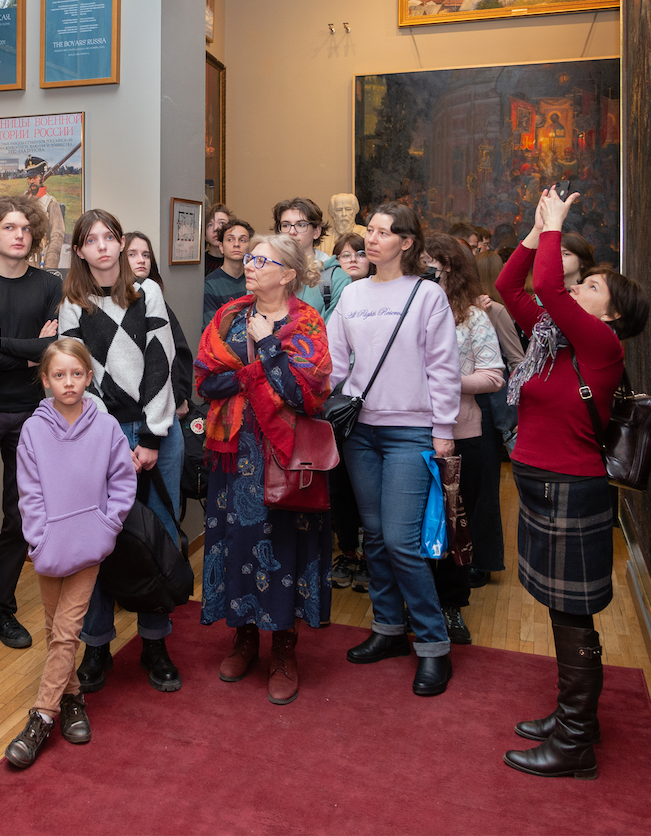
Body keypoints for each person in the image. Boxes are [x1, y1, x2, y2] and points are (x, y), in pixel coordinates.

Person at [497, 186, 649, 780]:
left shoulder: (600, 343)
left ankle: (576, 741)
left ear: (611, 314)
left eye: (592, 287)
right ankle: (572, 717)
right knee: (560, 607)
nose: (577, 288)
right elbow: (512, 287)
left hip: (570, 487)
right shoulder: (553, 338)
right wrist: (535, 233)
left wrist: (557, 223)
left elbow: (547, 286)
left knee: (572, 613)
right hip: (541, 483)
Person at [326, 202, 461, 697]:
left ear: (406, 242)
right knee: (377, 536)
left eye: (384, 233)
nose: (372, 239)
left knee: (403, 541)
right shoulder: (352, 293)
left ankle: (433, 643)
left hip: (411, 431)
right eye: (371, 231)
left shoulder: (427, 295)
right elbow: (334, 361)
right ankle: (387, 628)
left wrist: (442, 428)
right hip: (360, 431)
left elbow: (443, 365)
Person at [196, 233, 332, 705]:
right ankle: (244, 638)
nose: (250, 265)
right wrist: (254, 375)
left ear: (288, 273)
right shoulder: (229, 316)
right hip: (234, 452)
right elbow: (205, 381)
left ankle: (284, 650)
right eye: (249, 258)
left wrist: (268, 344)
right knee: (236, 542)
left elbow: (305, 394)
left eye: (261, 260)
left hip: (285, 457)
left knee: (284, 547)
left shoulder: (307, 322)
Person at [57, 209, 183, 694]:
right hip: (100, 435)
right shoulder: (73, 303)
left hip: (154, 431)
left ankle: (155, 642)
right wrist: (110, 441)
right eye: (92, 240)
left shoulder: (146, 292)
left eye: (110, 237)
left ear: (121, 243)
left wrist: (149, 438)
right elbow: (73, 377)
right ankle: (96, 645)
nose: (103, 247)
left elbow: (161, 363)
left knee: (155, 537)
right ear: (80, 251)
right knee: (96, 542)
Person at [3, 339, 136, 767]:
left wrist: (107, 525)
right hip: (50, 545)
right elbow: (28, 490)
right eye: (59, 375)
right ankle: (73, 699)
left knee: (66, 628)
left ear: (89, 377)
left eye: (76, 374)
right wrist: (38, 538)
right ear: (45, 380)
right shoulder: (33, 430)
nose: (68, 383)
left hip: (89, 544)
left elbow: (123, 480)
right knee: (53, 626)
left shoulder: (106, 426)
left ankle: (42, 716)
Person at [0, 195, 63, 657]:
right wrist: (25, 351)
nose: (19, 235)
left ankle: (4, 607)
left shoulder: (49, 285)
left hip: (31, 413)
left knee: (21, 515)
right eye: (9, 227)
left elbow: (54, 350)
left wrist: (2, 344)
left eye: (25, 228)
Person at [421, 234, 506, 644]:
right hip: (406, 434)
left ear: (450, 269)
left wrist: (443, 380)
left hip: (462, 435)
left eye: (432, 265)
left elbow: (493, 376)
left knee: (457, 524)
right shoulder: (408, 310)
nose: (423, 272)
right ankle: (417, 604)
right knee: (410, 526)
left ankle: (451, 605)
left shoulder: (473, 317)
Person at [469, 250, 526, 587]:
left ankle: (483, 560)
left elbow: (517, 361)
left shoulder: (496, 311)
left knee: (484, 486)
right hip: (452, 406)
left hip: (487, 406)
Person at [327, 231, 374, 593]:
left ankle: (371, 555)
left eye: (359, 253)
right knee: (340, 482)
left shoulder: (380, 295)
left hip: (374, 406)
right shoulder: (334, 297)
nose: (353, 260)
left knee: (369, 488)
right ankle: (347, 552)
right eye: (345, 255)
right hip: (338, 407)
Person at [123, 231, 193, 419]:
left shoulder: (157, 302)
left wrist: (180, 397)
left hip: (162, 405)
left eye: (146, 255)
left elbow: (178, 351)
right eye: (132, 254)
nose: (141, 260)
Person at [273, 197, 350, 320]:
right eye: (285, 225)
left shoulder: (336, 279)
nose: (292, 231)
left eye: (301, 225)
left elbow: (334, 330)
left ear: (316, 232)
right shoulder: (264, 271)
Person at [202, 218, 252, 327]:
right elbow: (211, 329)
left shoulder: (254, 279)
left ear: (250, 246)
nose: (236, 244)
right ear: (221, 247)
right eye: (230, 239)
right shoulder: (210, 285)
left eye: (242, 240)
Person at [26, 156, 69, 273]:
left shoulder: (50, 203)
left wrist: (50, 266)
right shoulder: (23, 200)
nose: (31, 181)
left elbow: (57, 235)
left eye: (34, 177)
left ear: (42, 178)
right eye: (29, 178)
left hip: (41, 259)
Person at [203, 203, 233, 276]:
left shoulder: (238, 262)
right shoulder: (199, 264)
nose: (216, 228)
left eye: (222, 223)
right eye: (210, 225)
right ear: (205, 235)